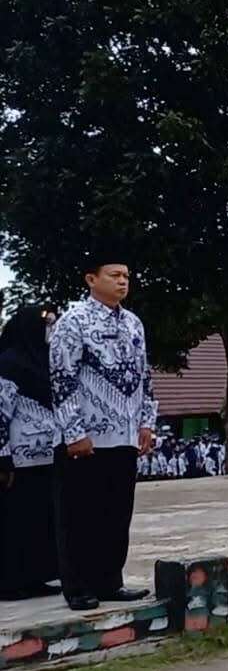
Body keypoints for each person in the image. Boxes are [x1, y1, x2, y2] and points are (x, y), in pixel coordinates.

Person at [49, 257, 156, 611]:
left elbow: (145, 377)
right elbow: (61, 379)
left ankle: (110, 580)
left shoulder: (134, 323)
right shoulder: (73, 321)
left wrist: (147, 423)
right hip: (86, 439)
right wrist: (73, 431)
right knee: (81, 515)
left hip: (124, 436)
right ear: (91, 279)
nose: (123, 281)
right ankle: (78, 586)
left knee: (116, 513)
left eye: (127, 275)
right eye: (114, 275)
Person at [0, 305, 62, 600]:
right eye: (45, 323)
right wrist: (2, 457)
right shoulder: (9, 363)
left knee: (41, 519)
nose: (50, 328)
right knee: (15, 520)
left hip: (47, 457)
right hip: (17, 460)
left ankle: (36, 576)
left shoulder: (46, 362)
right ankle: (10, 581)